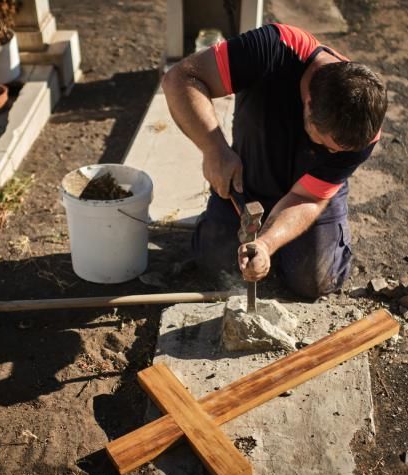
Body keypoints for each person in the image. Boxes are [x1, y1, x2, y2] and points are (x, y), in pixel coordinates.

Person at [161, 23, 387, 298]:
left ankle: (292, 245)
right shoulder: (274, 48)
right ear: (308, 105)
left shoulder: (362, 130)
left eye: (339, 151)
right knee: (215, 263)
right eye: (326, 144)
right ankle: (244, 230)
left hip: (307, 191)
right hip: (251, 170)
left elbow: (308, 198)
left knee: (312, 282)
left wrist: (267, 244)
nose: (334, 155)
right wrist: (214, 149)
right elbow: (179, 79)